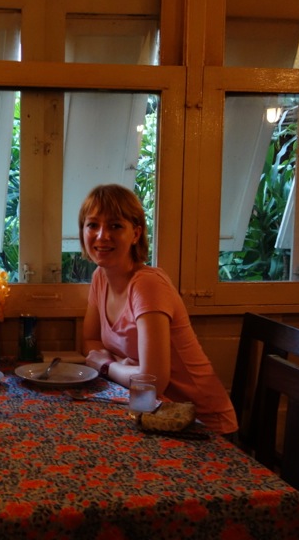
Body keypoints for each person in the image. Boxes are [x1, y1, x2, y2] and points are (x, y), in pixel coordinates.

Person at [79, 184, 238, 436]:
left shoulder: (147, 285)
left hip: (201, 427)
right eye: (92, 225)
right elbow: (90, 341)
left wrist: (107, 365)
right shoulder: (100, 277)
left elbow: (153, 382)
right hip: (152, 415)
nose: (102, 235)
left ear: (135, 233)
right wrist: (128, 369)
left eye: (115, 226)